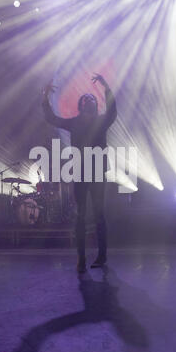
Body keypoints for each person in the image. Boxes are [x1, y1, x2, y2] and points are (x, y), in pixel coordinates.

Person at [42, 74, 117, 272]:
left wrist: (106, 86)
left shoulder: (101, 122)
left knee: (99, 215)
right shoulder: (75, 123)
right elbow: (51, 118)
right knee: (81, 217)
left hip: (97, 174)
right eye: (86, 101)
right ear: (81, 106)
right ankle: (82, 258)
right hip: (82, 174)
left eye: (90, 101)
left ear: (92, 107)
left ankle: (101, 256)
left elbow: (113, 111)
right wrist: (45, 96)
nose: (88, 103)